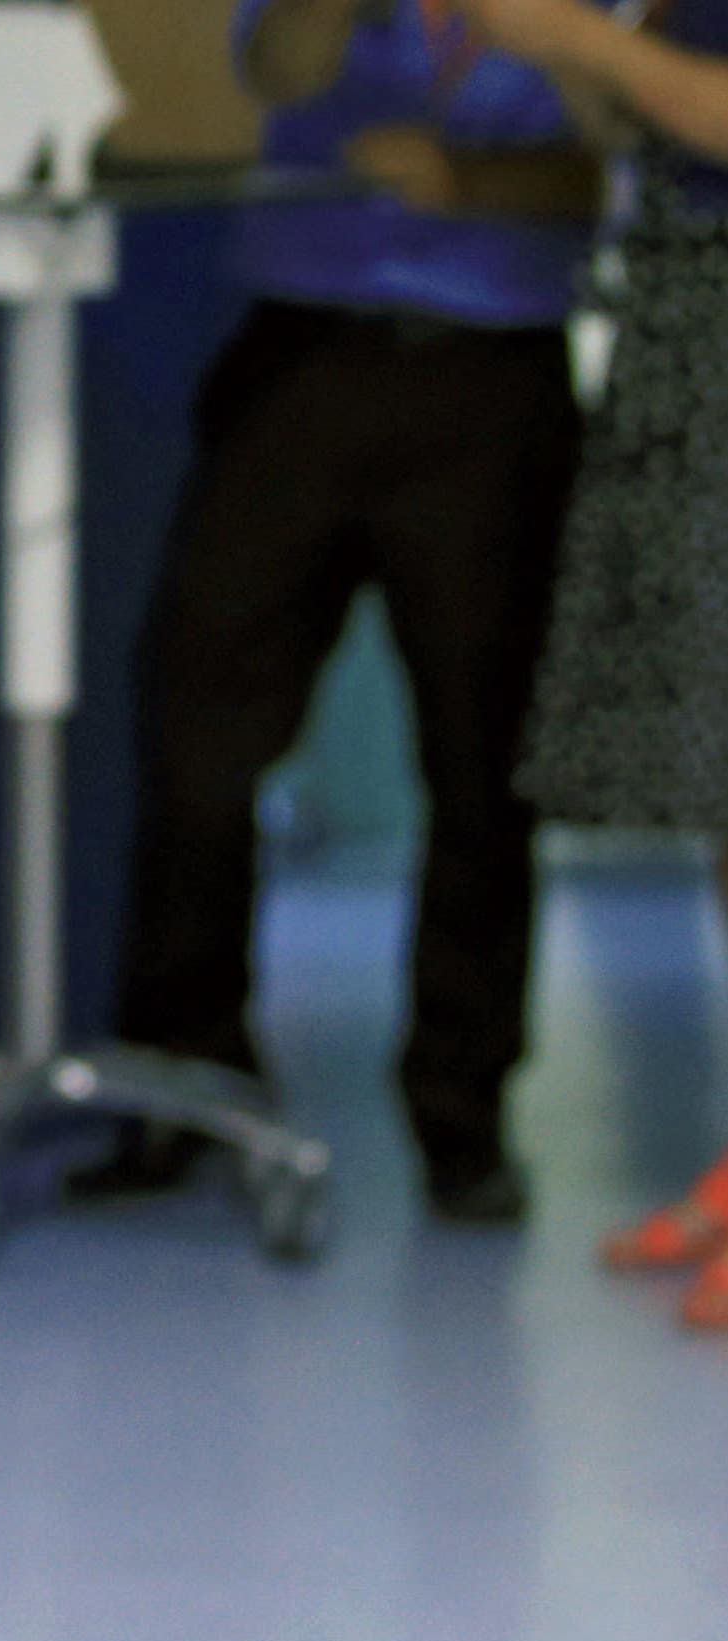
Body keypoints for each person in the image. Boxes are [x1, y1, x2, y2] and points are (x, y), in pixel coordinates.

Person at [74, 0, 606, 1222]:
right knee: (198, 727)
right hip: (303, 364)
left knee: (483, 768)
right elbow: (279, 67)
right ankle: (182, 1082)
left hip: (496, 377)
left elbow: (613, 165)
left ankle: (464, 1115)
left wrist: (467, 174)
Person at [456, 0, 728, 1320]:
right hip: (687, 315)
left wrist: (583, 36)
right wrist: (567, 46)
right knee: (719, 783)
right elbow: (633, 122)